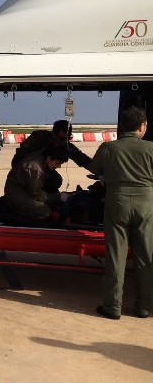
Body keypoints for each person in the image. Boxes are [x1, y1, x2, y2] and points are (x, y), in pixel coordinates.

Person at [89, 106, 153, 320]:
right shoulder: (151, 148)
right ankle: (143, 307)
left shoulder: (109, 148)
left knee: (116, 257)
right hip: (146, 204)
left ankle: (113, 307)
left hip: (117, 202)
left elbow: (94, 167)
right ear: (142, 126)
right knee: (145, 256)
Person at [11, 120, 92, 192]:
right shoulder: (39, 138)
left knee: (55, 181)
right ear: (53, 134)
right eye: (62, 138)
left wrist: (99, 169)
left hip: (42, 171)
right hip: (25, 170)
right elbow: (19, 156)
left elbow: (82, 159)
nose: (65, 141)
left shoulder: (66, 146)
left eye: (68, 138)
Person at [3, 144, 70, 223]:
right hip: (16, 190)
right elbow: (36, 195)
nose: (59, 166)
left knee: (56, 180)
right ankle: (12, 211)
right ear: (49, 158)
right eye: (57, 163)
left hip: (26, 186)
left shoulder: (43, 155)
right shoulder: (35, 169)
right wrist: (57, 197)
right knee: (45, 211)